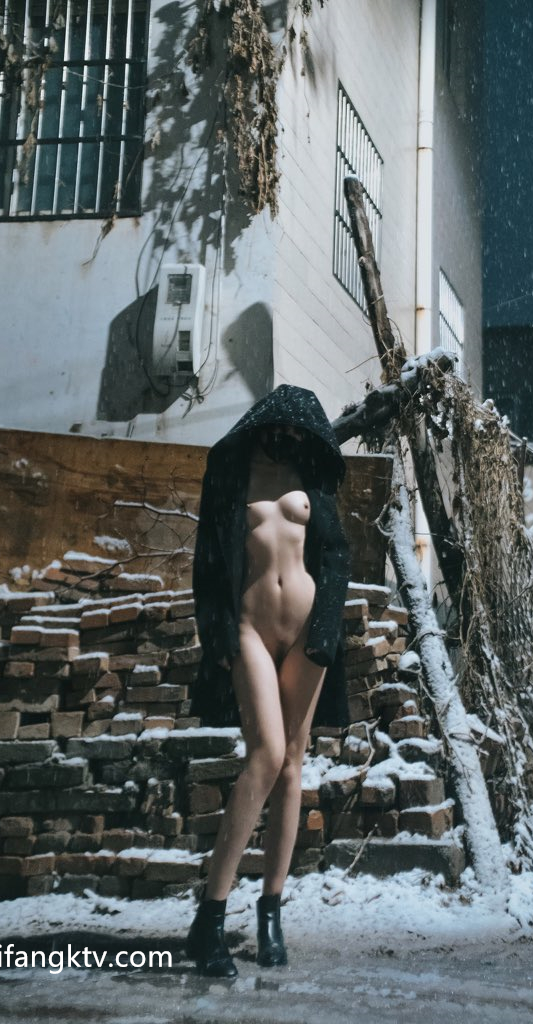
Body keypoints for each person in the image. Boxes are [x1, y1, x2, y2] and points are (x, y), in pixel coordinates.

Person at [185, 384, 351, 977]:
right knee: (265, 755)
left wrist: (327, 630)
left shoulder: (313, 479)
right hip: (251, 629)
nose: (290, 439)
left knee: (292, 765)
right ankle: (209, 918)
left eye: (301, 433)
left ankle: (271, 910)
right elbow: (208, 563)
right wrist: (217, 637)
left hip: (306, 634)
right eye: (283, 429)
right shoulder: (232, 476)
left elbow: (336, 556)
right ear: (264, 424)